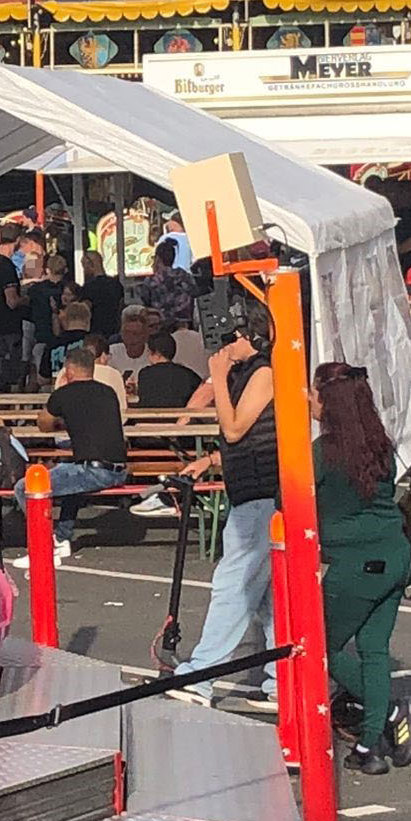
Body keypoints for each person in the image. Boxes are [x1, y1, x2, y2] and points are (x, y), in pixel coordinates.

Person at [311, 362, 411, 775]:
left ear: (329, 402)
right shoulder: (381, 446)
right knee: (373, 649)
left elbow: (291, 499)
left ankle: (388, 709)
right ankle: (369, 745)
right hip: (396, 555)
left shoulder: (324, 454)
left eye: (314, 392)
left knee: (324, 646)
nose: (308, 399)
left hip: (356, 564)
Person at [172, 298, 279, 703]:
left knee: (232, 585)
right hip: (251, 490)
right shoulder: (247, 372)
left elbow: (235, 428)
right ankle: (281, 681)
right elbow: (244, 437)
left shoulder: (264, 372)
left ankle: (201, 675)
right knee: (269, 600)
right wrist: (210, 460)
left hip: (259, 495)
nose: (224, 347)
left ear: (248, 337)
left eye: (231, 338)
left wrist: (216, 377)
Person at [36, 346, 128, 554]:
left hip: (93, 471)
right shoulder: (108, 392)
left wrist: (60, 422)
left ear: (69, 371)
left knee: (25, 489)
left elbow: (43, 424)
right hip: (119, 469)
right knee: (71, 478)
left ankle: (44, 542)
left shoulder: (64, 394)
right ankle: (62, 537)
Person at [0, 224, 27, 394]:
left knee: (0, 368)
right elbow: (12, 301)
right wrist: (25, 298)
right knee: (9, 373)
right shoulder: (6, 266)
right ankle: (7, 410)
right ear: (17, 241)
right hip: (8, 325)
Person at [139, 237, 198, 329]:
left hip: (159, 325)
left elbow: (145, 300)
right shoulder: (185, 276)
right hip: (184, 324)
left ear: (157, 258)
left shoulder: (151, 280)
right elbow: (194, 294)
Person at [134, 331, 202, 410]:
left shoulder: (144, 374)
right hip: (179, 420)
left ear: (155, 352)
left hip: (148, 420)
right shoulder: (188, 374)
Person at [26, 256, 64, 384]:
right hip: (65, 339)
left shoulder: (35, 290)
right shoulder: (69, 289)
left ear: (47, 270)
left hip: (42, 337)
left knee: (39, 377)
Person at [82, 332, 130, 414]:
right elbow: (122, 407)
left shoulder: (65, 371)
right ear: (103, 356)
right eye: (109, 356)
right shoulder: (113, 373)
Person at [107, 306, 156, 387]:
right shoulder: (111, 353)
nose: (132, 338)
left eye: (136, 334)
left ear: (145, 335)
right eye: (127, 333)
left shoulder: (153, 356)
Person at [79, 250, 123, 338]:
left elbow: (85, 310)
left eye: (84, 266)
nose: (84, 271)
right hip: (114, 330)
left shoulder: (89, 287)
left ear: (90, 265)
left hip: (95, 331)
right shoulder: (116, 284)